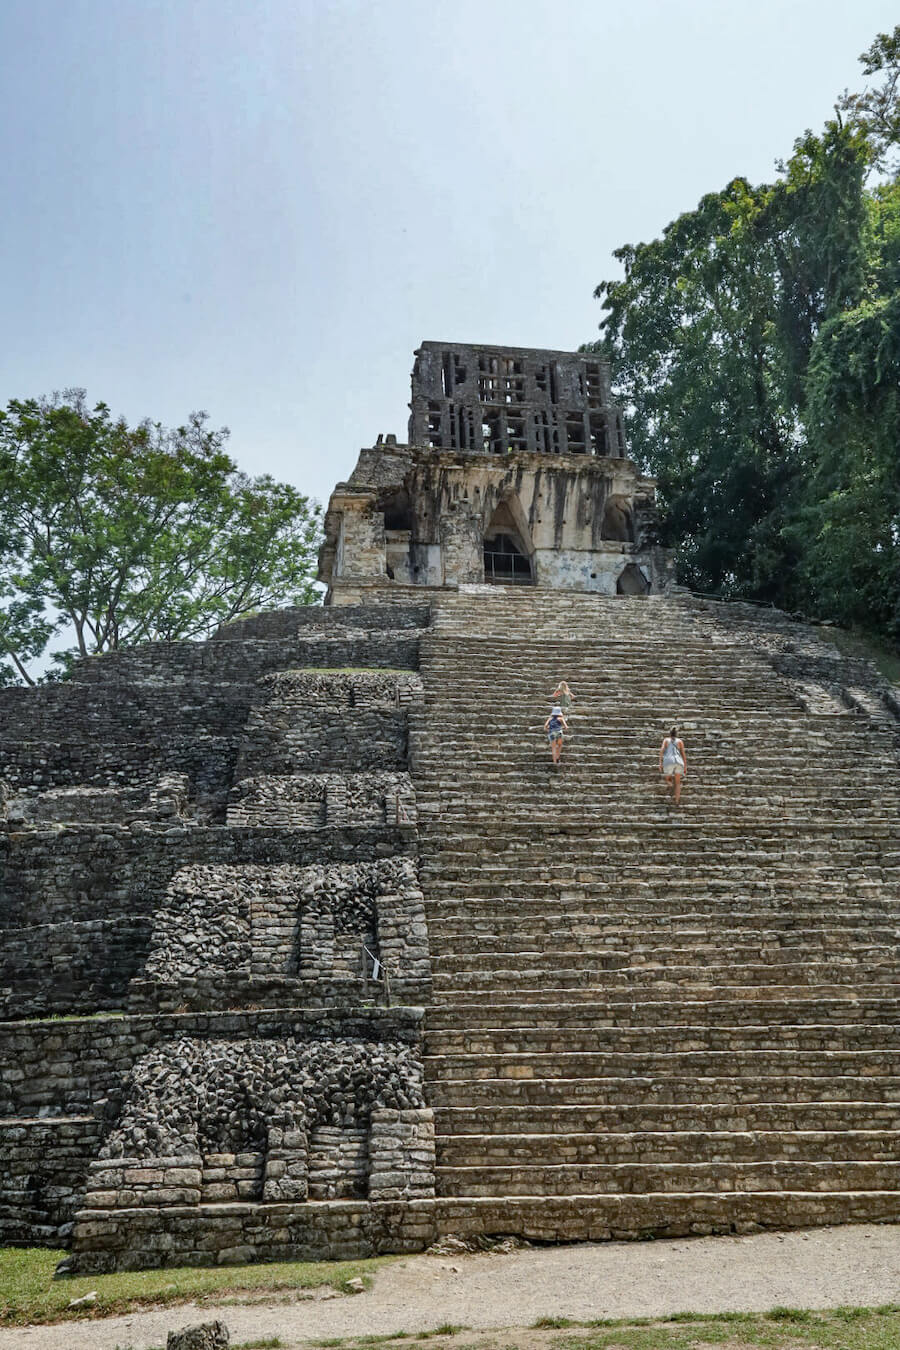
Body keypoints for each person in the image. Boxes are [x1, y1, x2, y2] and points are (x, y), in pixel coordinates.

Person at [660, 725, 687, 804]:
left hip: (669, 761)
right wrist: (685, 766)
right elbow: (683, 754)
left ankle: (671, 785)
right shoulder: (680, 741)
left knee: (667, 778)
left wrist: (660, 763)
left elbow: (661, 751)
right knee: (678, 782)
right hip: (679, 761)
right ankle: (677, 800)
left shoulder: (666, 740)